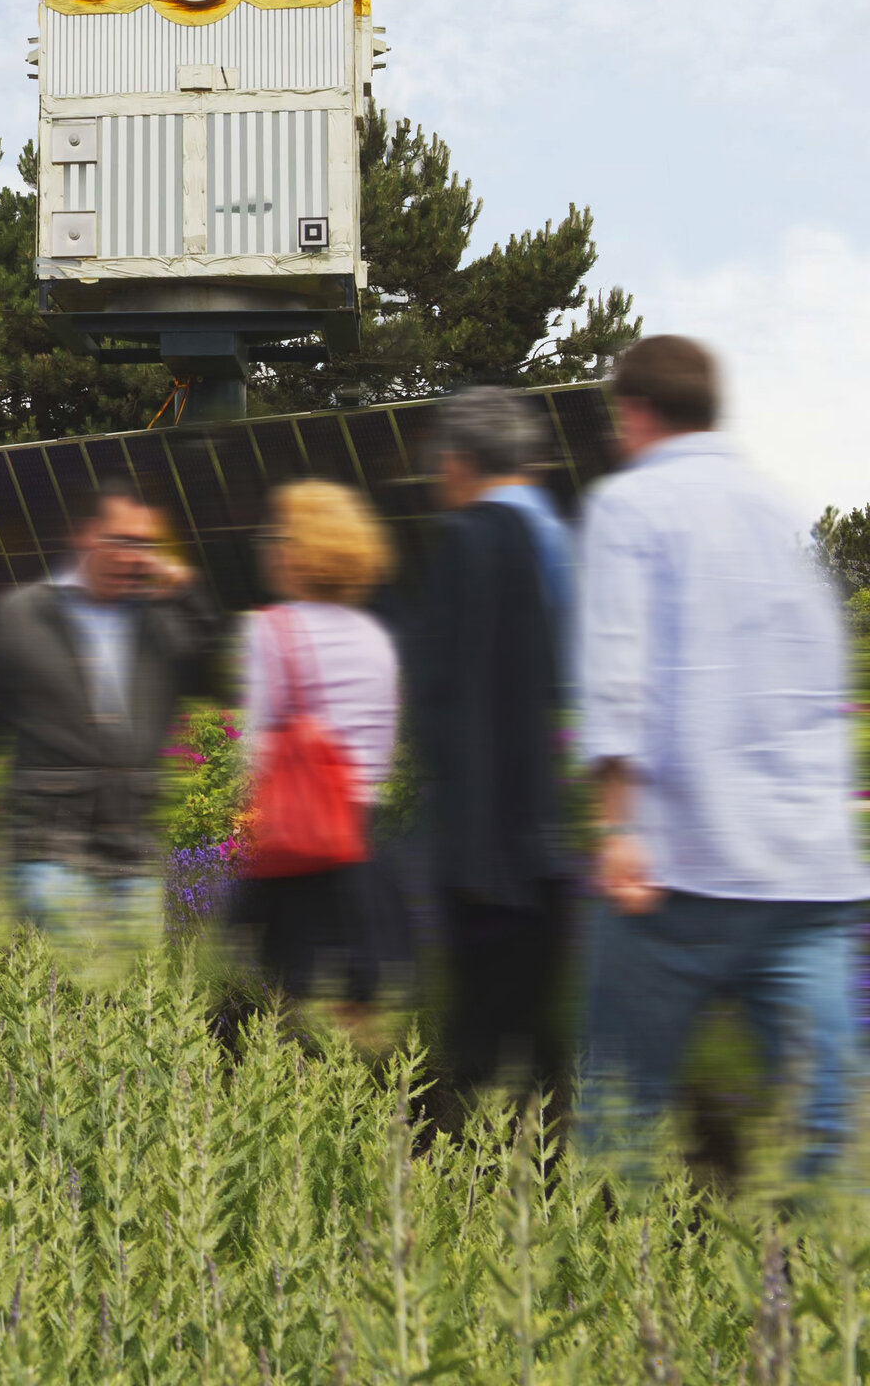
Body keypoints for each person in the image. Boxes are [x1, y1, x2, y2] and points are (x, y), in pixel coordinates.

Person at [578, 334, 866, 1181]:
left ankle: (611, 1298)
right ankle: (828, 1299)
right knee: (827, 1132)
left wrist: (616, 826)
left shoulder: (630, 505)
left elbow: (617, 673)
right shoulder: (779, 506)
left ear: (633, 413)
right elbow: (823, 675)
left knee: (621, 1123)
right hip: (807, 873)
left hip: (678, 873)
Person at [0, 474, 219, 940]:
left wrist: (189, 594)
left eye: (145, 545)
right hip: (49, 849)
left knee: (134, 996)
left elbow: (217, 682)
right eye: (121, 539)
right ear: (84, 534)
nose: (133, 556)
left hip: (129, 853)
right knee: (69, 987)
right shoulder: (24, 615)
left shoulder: (160, 624)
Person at [408, 389, 573, 1104]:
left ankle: (462, 1199)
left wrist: (472, 859)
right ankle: (559, 1192)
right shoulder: (546, 540)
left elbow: (463, 702)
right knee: (537, 1052)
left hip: (489, 860)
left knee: (475, 1057)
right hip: (541, 844)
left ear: (460, 460)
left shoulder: (471, 540)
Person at [237, 477, 400, 1006]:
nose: (273, 548)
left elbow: (257, 746)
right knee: (359, 1002)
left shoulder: (273, 629)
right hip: (359, 839)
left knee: (279, 996)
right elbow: (381, 750)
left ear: (299, 553)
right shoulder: (376, 637)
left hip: (299, 834)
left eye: (280, 537)